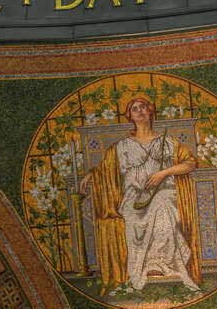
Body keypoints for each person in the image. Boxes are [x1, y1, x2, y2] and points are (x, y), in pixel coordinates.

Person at [80, 97, 202, 293]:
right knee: (133, 215)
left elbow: (190, 163)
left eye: (142, 107)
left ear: (150, 110)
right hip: (134, 196)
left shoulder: (168, 142)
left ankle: (158, 264)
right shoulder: (122, 146)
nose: (139, 111)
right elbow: (105, 170)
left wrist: (164, 173)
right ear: (130, 116)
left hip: (162, 191)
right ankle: (143, 268)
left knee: (162, 205)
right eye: (134, 109)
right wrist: (90, 173)